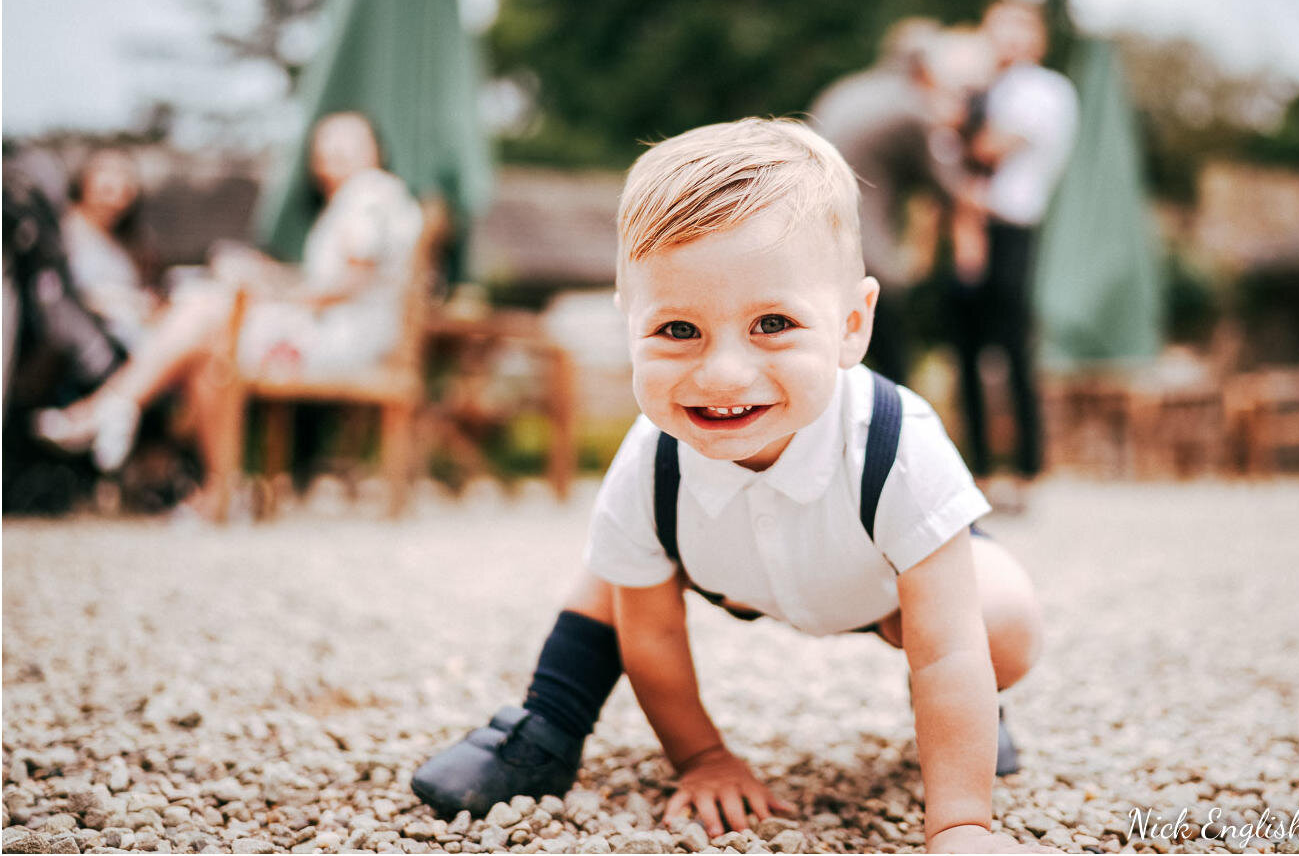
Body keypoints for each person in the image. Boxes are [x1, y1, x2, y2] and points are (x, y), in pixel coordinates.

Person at [412, 119, 1044, 854]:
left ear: (850, 325)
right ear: (630, 320)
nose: (722, 376)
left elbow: (949, 652)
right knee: (615, 562)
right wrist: (703, 757)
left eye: (773, 323)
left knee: (997, 624)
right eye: (677, 330)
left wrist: (961, 825)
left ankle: (967, 723)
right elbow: (650, 637)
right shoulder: (652, 459)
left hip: (875, 581)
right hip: (725, 565)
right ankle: (548, 718)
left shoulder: (899, 445)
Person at [35, 112, 423, 493]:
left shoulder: (369, 192)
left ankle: (109, 408)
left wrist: (271, 290)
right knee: (208, 340)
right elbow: (344, 279)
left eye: (346, 140)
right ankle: (216, 489)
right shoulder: (366, 199)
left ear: (374, 149)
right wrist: (267, 275)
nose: (331, 150)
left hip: (343, 341)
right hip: (344, 334)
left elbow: (351, 280)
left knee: (205, 311)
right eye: (325, 142)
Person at [949, 0, 1079, 501]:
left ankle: (1026, 469)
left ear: (1037, 39)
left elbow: (988, 147)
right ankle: (977, 469)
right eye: (997, 30)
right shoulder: (990, 88)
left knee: (1011, 348)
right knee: (965, 350)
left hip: (1009, 229)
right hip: (968, 228)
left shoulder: (1041, 89)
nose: (1006, 41)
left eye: (1017, 30)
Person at [808, 18, 949, 385]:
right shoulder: (910, 107)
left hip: (810, 235)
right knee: (890, 359)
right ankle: (897, 429)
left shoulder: (845, 90)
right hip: (864, 244)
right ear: (924, 66)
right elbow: (945, 184)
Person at [60, 148, 159, 351]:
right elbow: (67, 293)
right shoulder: (64, 229)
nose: (118, 180)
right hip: (97, 342)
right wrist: (132, 302)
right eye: (107, 170)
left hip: (135, 333)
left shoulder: (127, 241)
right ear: (84, 178)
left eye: (127, 174)